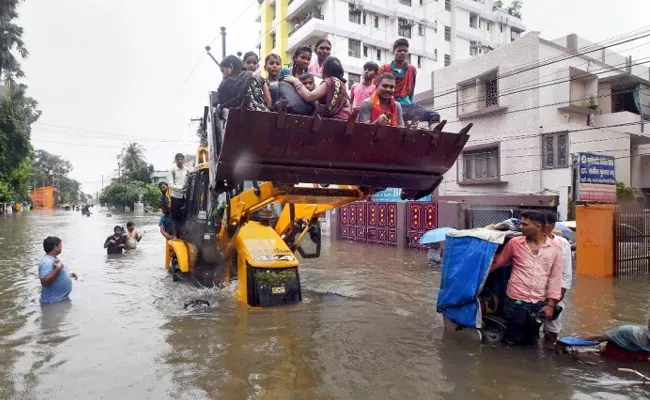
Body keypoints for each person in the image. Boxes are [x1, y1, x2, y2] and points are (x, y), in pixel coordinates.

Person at [491, 210, 563, 345]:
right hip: (515, 300)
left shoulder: (555, 247)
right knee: (511, 339)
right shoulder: (514, 243)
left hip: (538, 302)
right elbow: (497, 263)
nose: (521, 227)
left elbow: (555, 277)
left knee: (532, 340)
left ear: (538, 226)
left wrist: (550, 305)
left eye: (525, 225)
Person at [377, 39, 441, 130]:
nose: (402, 53)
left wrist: (412, 111)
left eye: (405, 51)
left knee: (434, 115)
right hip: (390, 106)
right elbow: (376, 90)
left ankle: (435, 138)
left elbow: (411, 91)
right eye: (399, 50)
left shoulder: (412, 69)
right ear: (393, 52)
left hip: (408, 106)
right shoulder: (383, 69)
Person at [283, 56, 351, 120]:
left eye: (322, 67)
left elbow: (309, 96)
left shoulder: (329, 81)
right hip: (345, 121)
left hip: (334, 121)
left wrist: (296, 81)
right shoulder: (341, 83)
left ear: (325, 69)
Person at [542, 211, 573, 343]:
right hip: (532, 293)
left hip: (554, 294)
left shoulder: (562, 243)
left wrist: (556, 299)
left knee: (551, 331)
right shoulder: (528, 241)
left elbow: (566, 274)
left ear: (550, 225)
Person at [581, 319, 650, 361]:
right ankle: (577, 342)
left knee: (601, 339)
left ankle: (582, 346)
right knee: (600, 341)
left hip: (631, 337)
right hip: (625, 335)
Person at [39, 236, 77, 304]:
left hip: (60, 300)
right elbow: (44, 282)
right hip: (52, 303)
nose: (62, 247)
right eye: (60, 245)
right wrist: (58, 269)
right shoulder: (47, 262)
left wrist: (69, 275)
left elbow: (55, 275)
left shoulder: (52, 259)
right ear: (55, 247)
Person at [168, 153, 188, 238]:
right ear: (175, 160)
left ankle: (183, 234)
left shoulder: (187, 170)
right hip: (176, 197)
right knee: (175, 217)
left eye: (181, 159)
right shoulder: (172, 171)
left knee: (185, 216)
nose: (180, 161)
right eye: (178, 159)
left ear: (184, 160)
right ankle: (175, 235)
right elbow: (170, 185)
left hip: (186, 197)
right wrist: (181, 188)